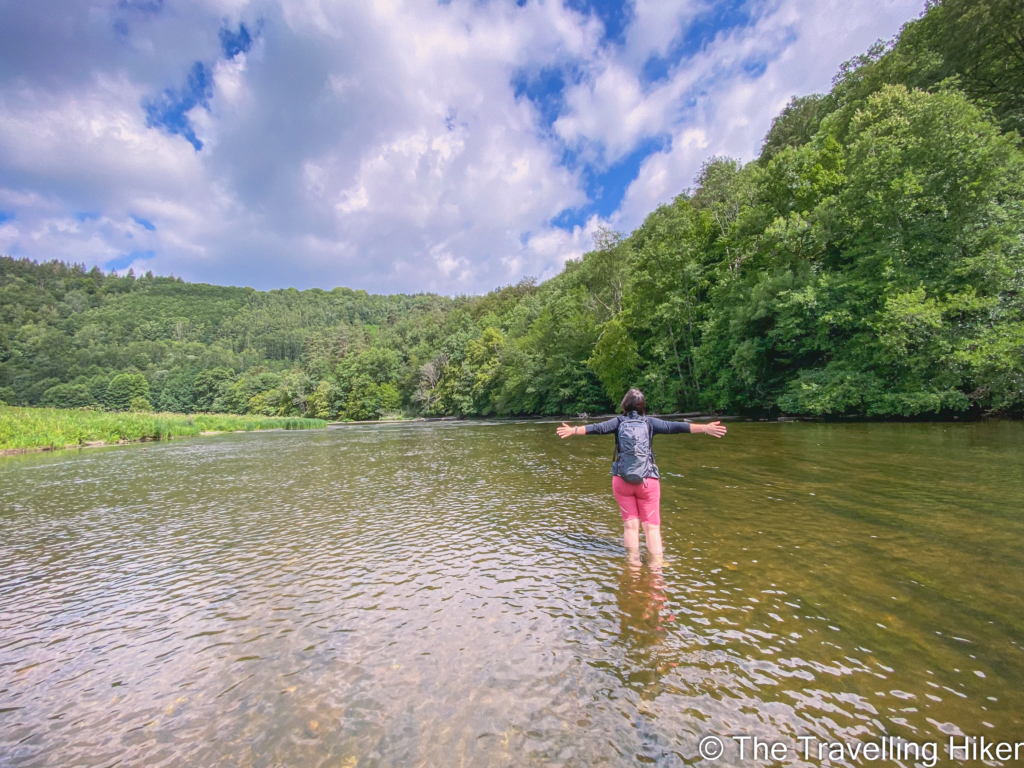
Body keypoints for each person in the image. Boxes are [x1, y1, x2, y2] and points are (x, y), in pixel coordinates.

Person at [556, 388, 727, 555]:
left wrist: (573, 430)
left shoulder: (618, 422)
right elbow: (676, 426)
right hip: (647, 481)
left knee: (630, 527)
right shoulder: (649, 423)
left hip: (622, 481)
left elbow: (596, 428)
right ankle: (656, 567)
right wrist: (705, 428)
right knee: (652, 528)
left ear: (624, 405)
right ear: (643, 406)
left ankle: (633, 565)